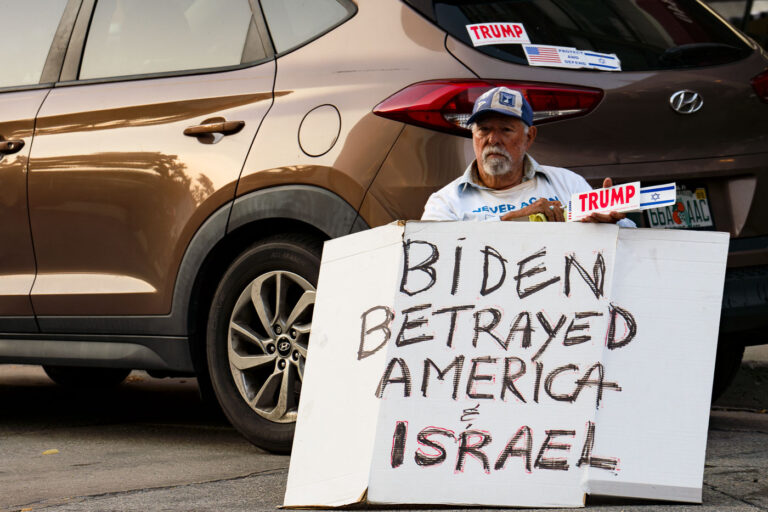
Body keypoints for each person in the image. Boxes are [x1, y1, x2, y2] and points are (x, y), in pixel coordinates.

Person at [421, 86, 634, 226]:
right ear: (473, 135)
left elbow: (631, 237)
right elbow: (433, 255)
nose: (493, 140)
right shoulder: (445, 202)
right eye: (484, 130)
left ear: (529, 137)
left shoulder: (568, 184)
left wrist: (610, 223)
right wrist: (511, 219)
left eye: (505, 130)